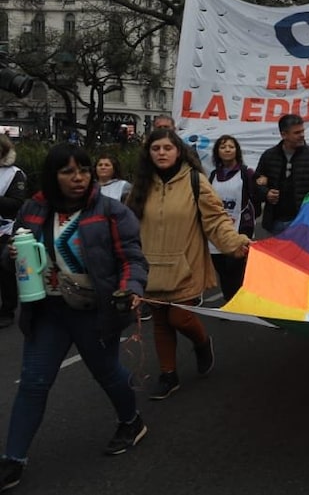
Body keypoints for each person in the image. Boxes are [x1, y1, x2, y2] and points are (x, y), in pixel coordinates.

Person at [0, 144, 148, 490]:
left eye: (83, 169)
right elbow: (15, 258)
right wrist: (9, 255)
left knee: (107, 373)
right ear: (53, 177)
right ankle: (13, 459)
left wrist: (131, 287)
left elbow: (132, 259)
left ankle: (131, 420)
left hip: (94, 312)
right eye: (68, 171)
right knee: (34, 382)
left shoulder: (111, 212)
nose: (79, 177)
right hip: (47, 311)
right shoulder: (33, 209)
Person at [125, 129, 251, 401]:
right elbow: (126, 224)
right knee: (160, 321)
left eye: (167, 148)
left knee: (179, 317)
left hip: (186, 265)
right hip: (151, 266)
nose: (161, 152)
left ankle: (202, 343)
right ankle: (168, 375)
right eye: (155, 148)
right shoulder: (141, 184)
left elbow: (217, 221)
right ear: (148, 153)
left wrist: (235, 244)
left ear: (178, 151)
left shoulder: (196, 181)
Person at [253, 114, 309, 235]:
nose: (302, 135)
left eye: (302, 131)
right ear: (284, 134)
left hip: (306, 223)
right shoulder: (269, 156)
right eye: (297, 132)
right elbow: (256, 183)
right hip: (275, 222)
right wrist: (266, 193)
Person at [208, 135, 259, 301]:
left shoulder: (247, 173)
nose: (227, 150)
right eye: (223, 147)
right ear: (217, 152)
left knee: (235, 268)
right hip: (218, 230)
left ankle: (238, 300)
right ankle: (229, 300)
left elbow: (257, 197)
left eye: (231, 146)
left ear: (236, 150)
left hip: (240, 228)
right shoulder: (213, 175)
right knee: (221, 268)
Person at [0, 135, 27, 328]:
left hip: (4, 229)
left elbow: (16, 204)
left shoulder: (15, 174)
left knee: (5, 271)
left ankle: (7, 309)